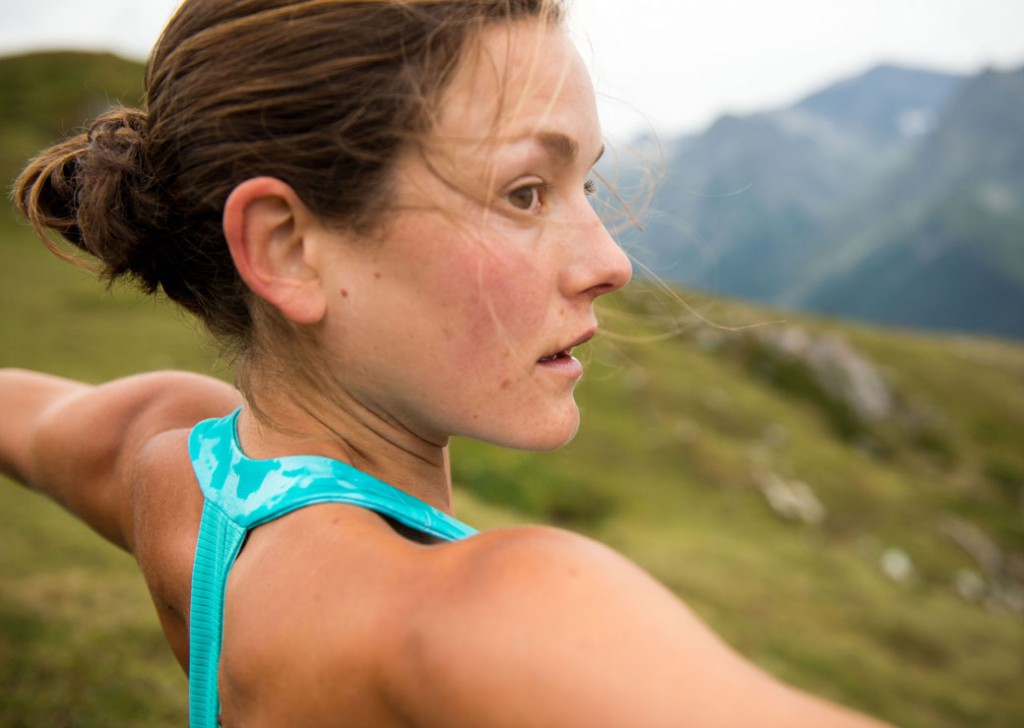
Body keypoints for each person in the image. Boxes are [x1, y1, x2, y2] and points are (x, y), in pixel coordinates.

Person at [1, 1, 894, 726]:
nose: (610, 261)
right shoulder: (493, 614)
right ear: (286, 249)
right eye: (525, 192)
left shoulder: (171, 466)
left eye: (586, 181)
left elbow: (25, 419)